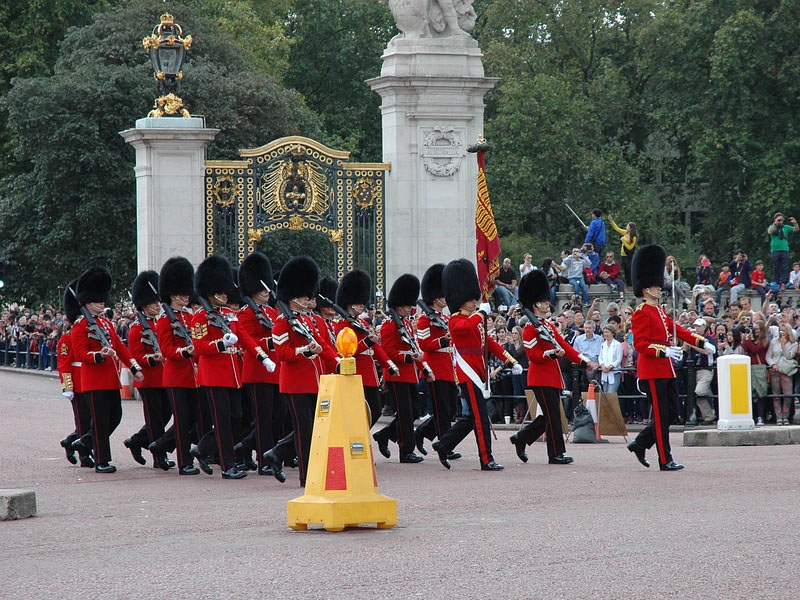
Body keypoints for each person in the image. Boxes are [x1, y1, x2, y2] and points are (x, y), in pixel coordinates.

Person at [626, 245, 715, 471]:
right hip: (653, 369)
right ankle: (665, 459)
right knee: (662, 415)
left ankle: (641, 443)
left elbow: (678, 330)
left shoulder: (660, 311)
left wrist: (702, 343)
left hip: (666, 369)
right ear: (645, 289)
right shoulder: (641, 312)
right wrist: (663, 351)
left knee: (672, 412)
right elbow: (640, 344)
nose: (659, 288)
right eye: (655, 285)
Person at [431, 259, 522, 471]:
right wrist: (481, 313)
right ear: (460, 299)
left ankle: (443, 444)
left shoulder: (474, 318)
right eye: (470, 299)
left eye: (475, 298)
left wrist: (511, 360)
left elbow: (489, 344)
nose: (474, 301)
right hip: (467, 372)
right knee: (481, 417)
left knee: (472, 417)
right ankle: (486, 458)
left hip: (479, 372)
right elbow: (466, 326)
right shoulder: (455, 319)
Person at [263, 256, 338, 485]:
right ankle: (307, 476)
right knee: (304, 431)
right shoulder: (282, 322)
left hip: (315, 382)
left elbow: (324, 346)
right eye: (306, 295)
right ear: (295, 297)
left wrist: (337, 362)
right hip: (294, 383)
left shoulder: (311, 321)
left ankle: (276, 453)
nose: (310, 298)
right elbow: (283, 353)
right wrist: (305, 350)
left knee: (315, 428)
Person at [510, 270, 597, 464]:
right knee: (553, 416)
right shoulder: (530, 329)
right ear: (535, 304)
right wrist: (551, 354)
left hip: (551, 377)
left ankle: (521, 438)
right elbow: (533, 356)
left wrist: (584, 361)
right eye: (542, 301)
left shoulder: (547, 327)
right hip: (540, 377)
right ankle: (555, 453)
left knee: (549, 416)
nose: (546, 304)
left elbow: (565, 346)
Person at [72, 266, 144, 473]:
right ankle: (101, 461)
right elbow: (79, 353)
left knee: (115, 417)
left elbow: (121, 348)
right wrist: (99, 355)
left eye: (102, 300)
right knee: (101, 421)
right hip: (94, 380)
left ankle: (85, 441)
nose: (102, 303)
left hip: (110, 380)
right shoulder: (80, 325)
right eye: (97, 300)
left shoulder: (107, 323)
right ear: (87, 301)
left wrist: (134, 367)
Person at [190, 255, 250, 480]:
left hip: (233, 374)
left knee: (236, 418)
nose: (225, 295)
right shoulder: (200, 318)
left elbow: (243, 337)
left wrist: (262, 355)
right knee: (223, 421)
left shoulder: (229, 315)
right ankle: (227, 466)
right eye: (221, 291)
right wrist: (220, 344)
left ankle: (202, 449)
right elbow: (198, 347)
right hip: (214, 375)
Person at [372, 274, 432, 464]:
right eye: (407, 306)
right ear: (398, 306)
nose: (410, 308)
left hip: (410, 374)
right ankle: (406, 450)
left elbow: (414, 347)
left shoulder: (406, 324)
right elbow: (388, 351)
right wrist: (407, 357)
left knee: (414, 412)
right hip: (396, 376)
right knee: (405, 414)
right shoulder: (389, 326)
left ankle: (384, 435)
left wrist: (425, 368)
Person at [234, 252, 284, 476]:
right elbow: (247, 340)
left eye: (267, 289)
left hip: (275, 371)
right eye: (262, 289)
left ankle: (244, 446)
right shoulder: (245, 314)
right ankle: (263, 459)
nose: (267, 292)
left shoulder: (272, 313)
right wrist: (269, 344)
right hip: (257, 371)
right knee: (262, 419)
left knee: (277, 417)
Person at [152, 257, 202, 476]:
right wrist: (184, 352)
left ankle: (161, 444)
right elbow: (166, 349)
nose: (186, 297)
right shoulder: (165, 320)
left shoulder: (191, 317)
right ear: (173, 295)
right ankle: (184, 462)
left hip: (192, 376)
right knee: (181, 421)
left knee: (193, 419)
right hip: (175, 376)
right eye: (183, 294)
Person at [123, 270, 174, 471]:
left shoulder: (160, 323)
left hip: (164, 378)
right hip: (149, 379)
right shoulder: (137, 329)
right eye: (153, 302)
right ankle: (159, 457)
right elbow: (136, 356)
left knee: (166, 415)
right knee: (155, 420)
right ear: (144, 305)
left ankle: (136, 441)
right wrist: (152, 359)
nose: (157, 305)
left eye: (157, 301)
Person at [335, 268, 398, 429]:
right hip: (355, 374)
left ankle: (358, 437)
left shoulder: (363, 324)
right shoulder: (342, 325)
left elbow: (376, 348)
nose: (362, 305)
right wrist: (366, 344)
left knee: (374, 411)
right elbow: (347, 351)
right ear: (349, 302)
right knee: (357, 412)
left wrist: (389, 365)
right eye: (359, 302)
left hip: (369, 375)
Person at [415, 264, 460, 458]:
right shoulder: (425, 320)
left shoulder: (445, 318)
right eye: (443, 295)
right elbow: (424, 344)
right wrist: (443, 339)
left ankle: (422, 432)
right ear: (435, 297)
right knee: (442, 411)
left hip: (448, 367)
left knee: (451, 410)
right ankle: (445, 446)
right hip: (435, 368)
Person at [57, 281, 94, 468]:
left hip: (91, 381)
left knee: (93, 420)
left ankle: (70, 441)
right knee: (83, 420)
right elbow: (64, 365)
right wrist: (68, 386)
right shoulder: (67, 338)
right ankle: (85, 456)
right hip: (78, 385)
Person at [767, 323, 797, 425]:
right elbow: (768, 356)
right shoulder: (774, 342)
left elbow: (789, 356)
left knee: (787, 395)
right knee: (776, 395)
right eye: (781, 331)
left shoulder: (794, 344)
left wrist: (784, 345)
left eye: (785, 331)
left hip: (786, 371)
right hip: (775, 370)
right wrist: (772, 364)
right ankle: (779, 417)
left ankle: (786, 416)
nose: (783, 333)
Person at [688, 318, 716, 425]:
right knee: (699, 394)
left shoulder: (708, 338)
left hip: (705, 369)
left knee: (700, 391)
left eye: (699, 326)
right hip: (695, 370)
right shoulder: (693, 338)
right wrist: (687, 340)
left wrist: (693, 345)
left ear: (704, 327)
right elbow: (685, 349)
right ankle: (706, 416)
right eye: (695, 326)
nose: (697, 328)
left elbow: (709, 351)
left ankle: (709, 415)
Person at [741, 320, 769, 425]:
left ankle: (760, 416)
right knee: (751, 393)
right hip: (749, 367)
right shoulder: (750, 340)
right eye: (754, 328)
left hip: (759, 367)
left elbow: (755, 349)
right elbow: (745, 349)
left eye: (757, 329)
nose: (755, 331)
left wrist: (748, 341)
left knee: (760, 392)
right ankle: (753, 416)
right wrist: (746, 339)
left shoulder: (765, 340)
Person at [767, 212, 798, 290]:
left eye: (781, 219)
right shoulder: (773, 227)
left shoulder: (785, 227)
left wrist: (795, 223)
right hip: (775, 250)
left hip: (784, 249)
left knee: (784, 267)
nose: (780, 221)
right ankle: (776, 282)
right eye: (778, 219)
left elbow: (796, 229)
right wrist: (775, 223)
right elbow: (770, 231)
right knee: (776, 267)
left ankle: (783, 283)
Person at [607, 215, 637, 288]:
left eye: (627, 226)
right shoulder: (625, 233)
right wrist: (611, 221)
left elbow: (630, 247)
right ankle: (628, 284)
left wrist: (624, 242)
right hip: (623, 254)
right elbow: (617, 228)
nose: (626, 227)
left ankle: (631, 285)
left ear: (631, 228)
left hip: (628, 255)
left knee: (629, 270)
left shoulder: (633, 237)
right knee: (625, 269)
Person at [598, 324, 622, 393]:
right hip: (605, 372)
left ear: (612, 333)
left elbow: (619, 359)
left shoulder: (617, 344)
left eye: (607, 332)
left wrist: (611, 366)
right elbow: (600, 357)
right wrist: (602, 365)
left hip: (614, 372)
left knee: (611, 393)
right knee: (605, 394)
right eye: (604, 332)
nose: (605, 334)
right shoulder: (603, 344)